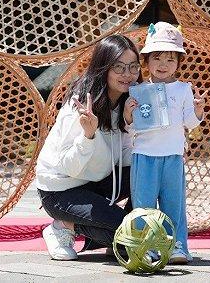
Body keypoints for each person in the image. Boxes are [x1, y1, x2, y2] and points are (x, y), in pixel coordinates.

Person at [35, 35, 142, 260]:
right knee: (127, 235)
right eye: (119, 67)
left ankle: (121, 234)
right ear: (104, 68)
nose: (127, 74)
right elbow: (69, 167)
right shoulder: (82, 106)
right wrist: (88, 135)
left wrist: (131, 127)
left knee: (145, 171)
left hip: (95, 182)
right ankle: (64, 225)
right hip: (61, 190)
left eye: (133, 67)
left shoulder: (125, 102)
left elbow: (124, 158)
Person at [123, 22, 206, 264]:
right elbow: (130, 127)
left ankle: (176, 245)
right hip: (144, 156)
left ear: (179, 63)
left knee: (174, 203)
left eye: (170, 60)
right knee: (143, 206)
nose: (163, 65)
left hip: (172, 156)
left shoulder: (184, 89)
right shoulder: (137, 90)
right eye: (157, 58)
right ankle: (145, 246)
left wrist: (198, 109)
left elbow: (190, 123)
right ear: (146, 61)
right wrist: (128, 112)